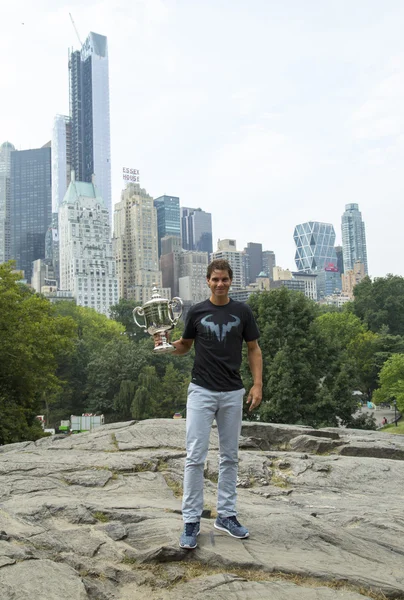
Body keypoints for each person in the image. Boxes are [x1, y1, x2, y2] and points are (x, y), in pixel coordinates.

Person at [155, 259, 262, 549]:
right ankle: (190, 520)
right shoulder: (197, 311)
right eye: (215, 279)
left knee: (230, 457)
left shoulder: (242, 312)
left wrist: (257, 384)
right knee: (195, 457)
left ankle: (226, 515)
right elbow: (185, 345)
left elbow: (253, 349)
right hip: (201, 391)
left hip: (232, 393)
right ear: (207, 281)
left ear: (230, 281)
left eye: (224, 279)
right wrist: (164, 344)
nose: (220, 284)